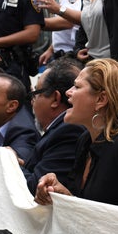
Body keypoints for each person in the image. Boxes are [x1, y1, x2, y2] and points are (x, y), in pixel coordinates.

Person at [35, 58, 118, 205]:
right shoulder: (85, 140)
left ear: (101, 99)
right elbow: (86, 207)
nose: (68, 92)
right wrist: (61, 193)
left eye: (76, 87)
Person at [21, 59, 86, 194]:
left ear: (55, 99)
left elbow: (35, 188)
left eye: (36, 93)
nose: (33, 101)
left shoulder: (69, 131)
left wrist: (9, 162)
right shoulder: (59, 129)